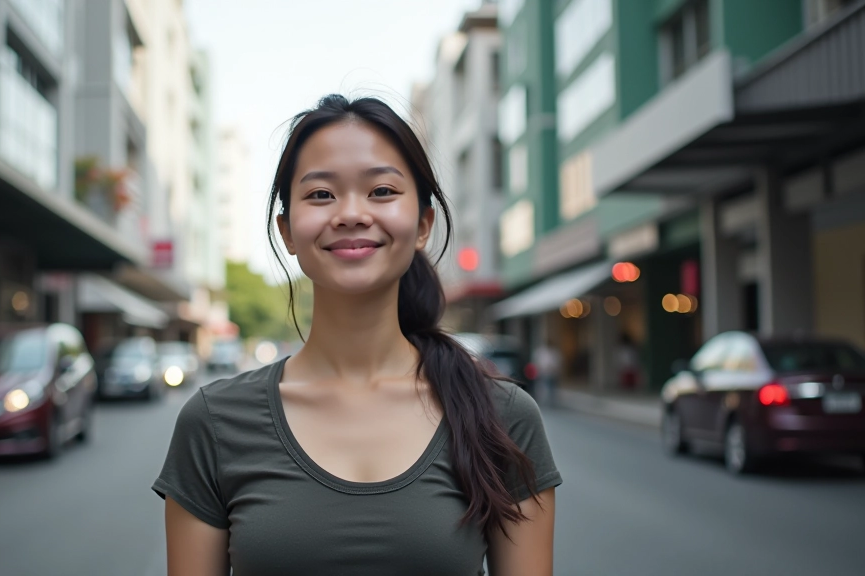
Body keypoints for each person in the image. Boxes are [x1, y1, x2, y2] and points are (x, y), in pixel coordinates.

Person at [153, 95, 561, 575]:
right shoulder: (214, 423)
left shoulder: (503, 417)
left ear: (423, 223)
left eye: (382, 191)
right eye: (321, 194)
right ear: (286, 231)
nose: (350, 213)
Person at [533, 340, 562, 407]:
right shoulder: (542, 352)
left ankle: (551, 401)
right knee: (544, 387)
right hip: (544, 373)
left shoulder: (554, 352)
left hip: (552, 373)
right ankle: (546, 400)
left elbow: (558, 363)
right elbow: (538, 363)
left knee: (552, 388)